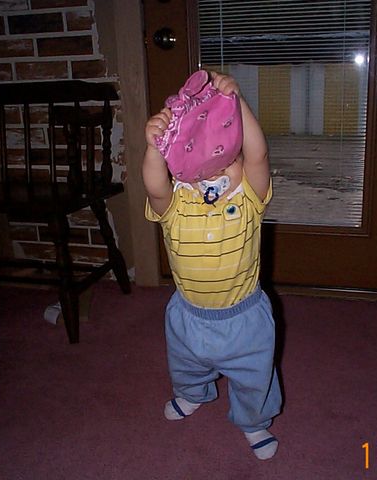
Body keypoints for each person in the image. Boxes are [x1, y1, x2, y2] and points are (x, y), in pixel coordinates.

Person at [143, 71, 282, 460]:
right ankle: (191, 393)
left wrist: (237, 103)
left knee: (254, 377)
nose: (218, 170)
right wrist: (155, 146)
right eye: (205, 161)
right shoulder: (175, 204)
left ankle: (254, 420)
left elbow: (258, 155)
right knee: (185, 365)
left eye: (229, 159)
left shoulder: (248, 200)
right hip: (188, 315)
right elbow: (154, 186)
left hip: (244, 319)